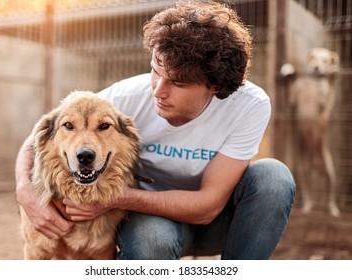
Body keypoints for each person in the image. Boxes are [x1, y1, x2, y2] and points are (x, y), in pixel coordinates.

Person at [15, 0, 295, 260]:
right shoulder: (124, 97)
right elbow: (38, 137)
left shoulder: (249, 105)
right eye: (156, 71)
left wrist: (112, 198)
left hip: (218, 221)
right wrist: (25, 192)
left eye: (178, 83)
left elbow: (207, 206)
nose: (158, 91)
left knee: (273, 177)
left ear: (215, 86)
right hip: (149, 220)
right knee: (151, 238)